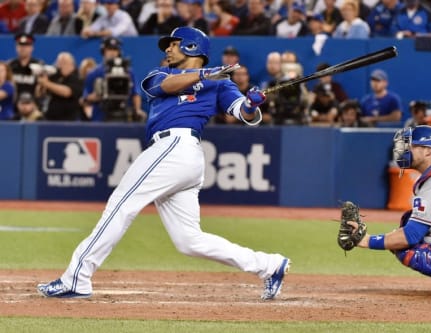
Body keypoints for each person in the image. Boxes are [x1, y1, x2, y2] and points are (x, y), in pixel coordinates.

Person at [37, 26, 290, 301]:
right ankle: (270, 265)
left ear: (192, 47)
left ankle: (77, 278)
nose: (167, 49)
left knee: (121, 205)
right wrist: (206, 74)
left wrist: (252, 104)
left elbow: (244, 114)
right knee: (189, 241)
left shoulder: (220, 84)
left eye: (173, 43)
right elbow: (160, 87)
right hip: (172, 152)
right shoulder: (163, 73)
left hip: (179, 147)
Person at [348, 125, 431, 298]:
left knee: (409, 244)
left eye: (410, 146)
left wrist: (366, 240)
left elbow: (410, 236)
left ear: (428, 151)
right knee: (409, 221)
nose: (404, 150)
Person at [81, 37, 145, 121]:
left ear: (119, 52)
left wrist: (137, 110)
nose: (112, 53)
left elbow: (136, 93)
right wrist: (99, 95)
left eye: (115, 49)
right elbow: (85, 97)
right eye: (109, 49)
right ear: (103, 51)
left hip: (123, 114)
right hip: (101, 115)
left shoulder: (128, 72)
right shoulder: (94, 73)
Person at [35, 52, 83, 121]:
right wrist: (41, 81)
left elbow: (67, 92)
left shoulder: (77, 78)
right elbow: (39, 94)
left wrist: (47, 83)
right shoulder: (55, 76)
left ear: (71, 64)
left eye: (63, 63)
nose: (59, 66)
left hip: (67, 120)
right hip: (49, 118)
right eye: (58, 63)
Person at [8, 33, 45, 108]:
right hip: (13, 106)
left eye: (26, 46)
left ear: (32, 48)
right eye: (20, 45)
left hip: (34, 106)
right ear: (16, 47)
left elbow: (42, 91)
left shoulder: (39, 65)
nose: (23, 48)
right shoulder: (10, 65)